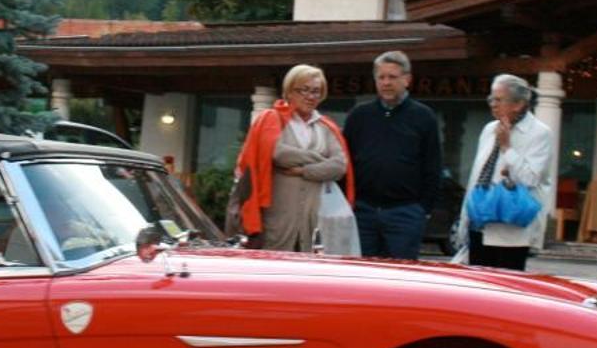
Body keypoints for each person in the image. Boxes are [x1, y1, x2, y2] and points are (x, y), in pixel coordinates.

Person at [233, 64, 354, 252]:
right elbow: (278, 154)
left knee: (310, 269)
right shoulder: (272, 118)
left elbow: (339, 166)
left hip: (315, 219)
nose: (310, 96)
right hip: (277, 218)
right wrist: (321, 159)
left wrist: (304, 171)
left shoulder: (326, 127)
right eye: (304, 90)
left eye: (316, 91)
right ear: (289, 91)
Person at [342, 50, 441, 259]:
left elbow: (432, 166)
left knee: (401, 280)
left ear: (407, 80)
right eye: (381, 77)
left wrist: (422, 209)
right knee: (362, 277)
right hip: (363, 213)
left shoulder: (424, 117)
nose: (386, 82)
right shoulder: (359, 116)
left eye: (392, 77)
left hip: (405, 214)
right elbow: (345, 161)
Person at [456, 74, 555, 270]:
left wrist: (507, 148)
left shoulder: (540, 133)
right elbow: (476, 177)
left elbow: (531, 179)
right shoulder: (489, 129)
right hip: (479, 223)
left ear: (518, 104)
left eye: (498, 99)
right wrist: (464, 219)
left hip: (511, 230)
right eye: (491, 99)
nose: (492, 104)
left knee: (505, 289)